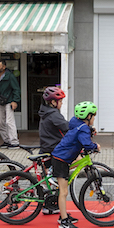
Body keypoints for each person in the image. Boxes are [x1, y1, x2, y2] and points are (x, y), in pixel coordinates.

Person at [51, 101, 100, 228]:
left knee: (78, 162)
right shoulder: (83, 128)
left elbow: (80, 130)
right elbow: (87, 144)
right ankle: (64, 221)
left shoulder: (76, 123)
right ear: (88, 116)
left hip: (62, 157)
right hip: (61, 159)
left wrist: (89, 130)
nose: (94, 118)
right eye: (93, 116)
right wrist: (95, 146)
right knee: (64, 192)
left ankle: (53, 175)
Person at [38, 85, 69, 216]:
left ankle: (49, 204)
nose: (62, 103)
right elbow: (67, 127)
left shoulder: (47, 112)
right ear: (53, 102)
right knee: (54, 177)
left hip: (48, 147)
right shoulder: (54, 114)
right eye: (60, 101)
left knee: (50, 179)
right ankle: (49, 205)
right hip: (52, 149)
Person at [0, 59, 21, 149]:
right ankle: (7, 141)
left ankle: (14, 142)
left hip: (9, 101)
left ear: (4, 67)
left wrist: (15, 101)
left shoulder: (10, 76)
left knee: (9, 122)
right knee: (0, 123)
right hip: (0, 101)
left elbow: (16, 89)